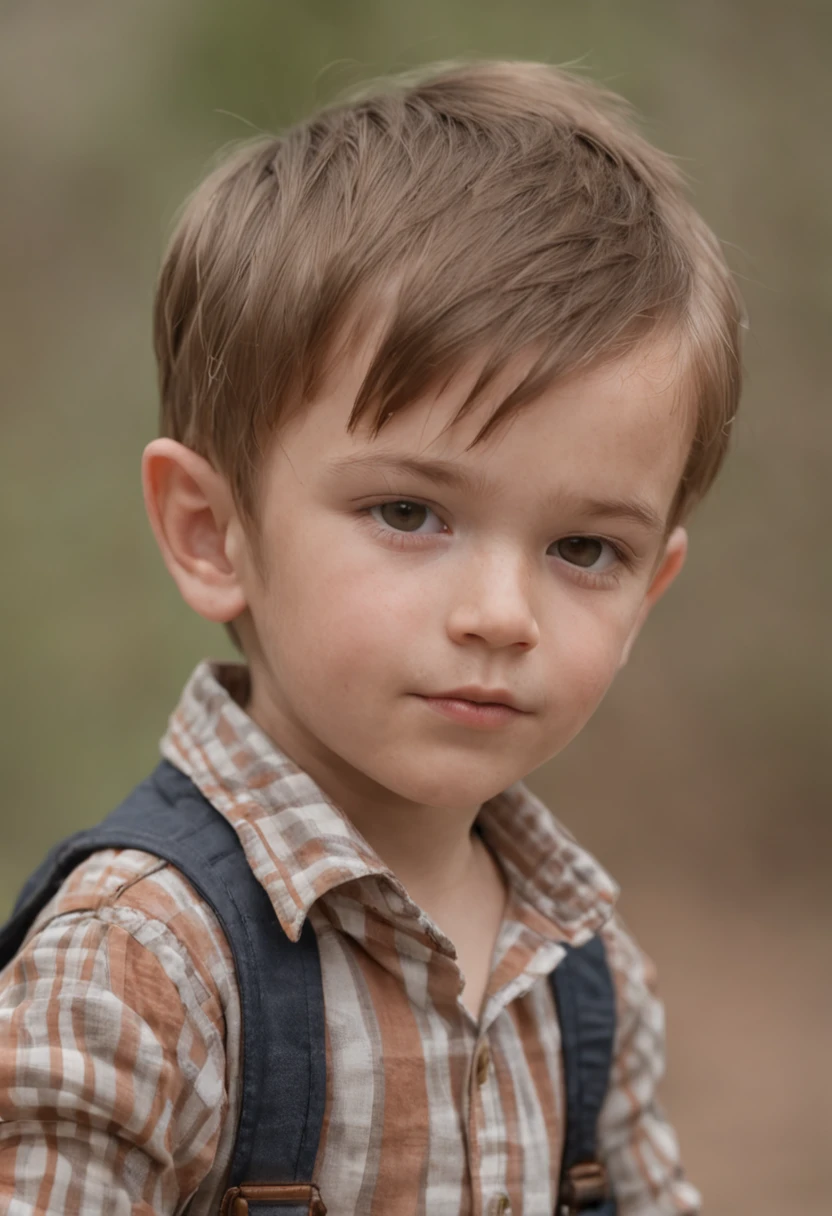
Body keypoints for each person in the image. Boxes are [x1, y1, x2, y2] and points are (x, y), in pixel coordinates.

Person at [0, 60, 742, 1215]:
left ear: (651, 588)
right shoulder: (144, 962)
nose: (499, 613)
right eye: (409, 514)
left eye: (585, 549)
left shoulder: (585, 976)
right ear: (212, 533)